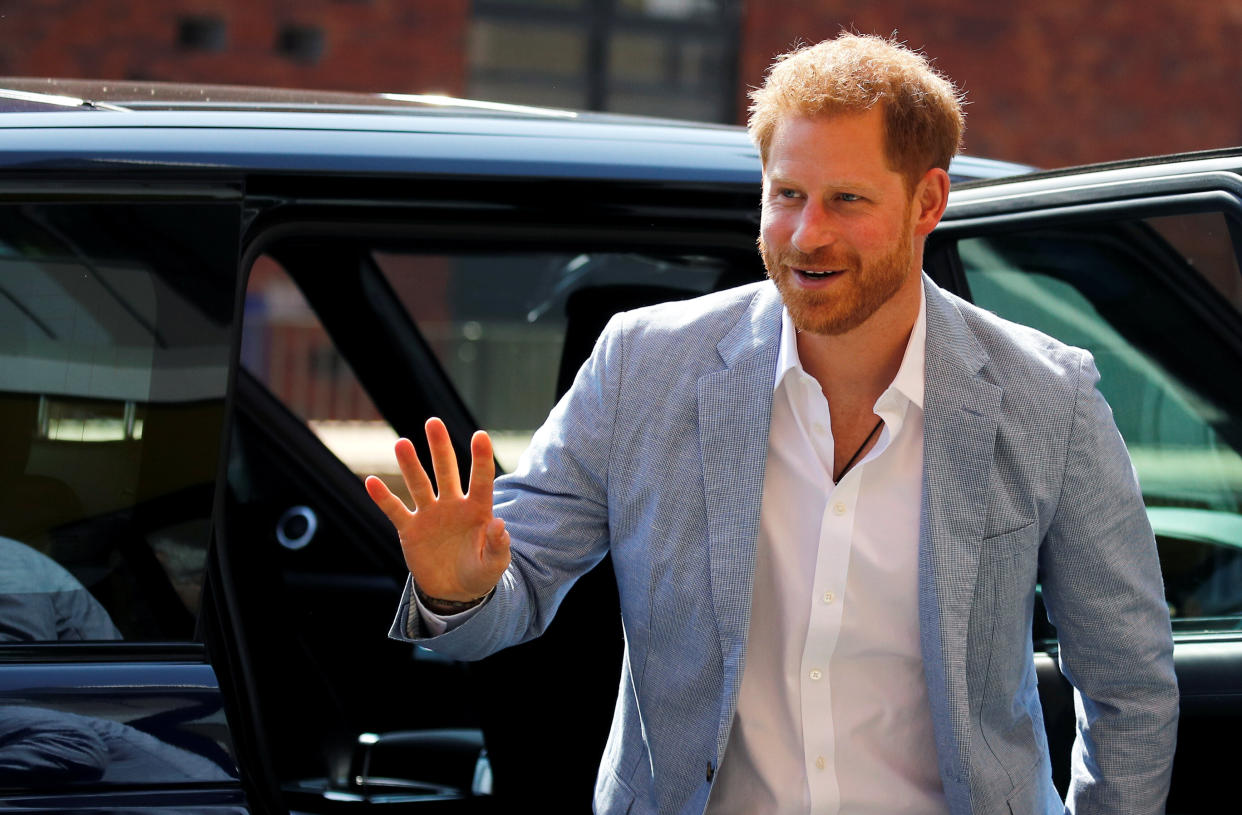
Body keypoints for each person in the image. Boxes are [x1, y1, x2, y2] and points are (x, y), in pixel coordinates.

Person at [367, 33, 1178, 815]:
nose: (806, 234)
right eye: (786, 194)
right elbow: (503, 602)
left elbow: (1129, 683)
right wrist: (458, 589)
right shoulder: (643, 365)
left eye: (846, 200)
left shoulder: (1048, 395)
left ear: (928, 200)